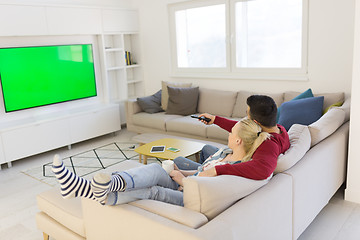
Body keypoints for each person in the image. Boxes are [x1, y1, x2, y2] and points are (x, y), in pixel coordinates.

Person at [52, 118, 269, 207]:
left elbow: (207, 189)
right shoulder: (225, 152)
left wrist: (181, 179)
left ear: (239, 140)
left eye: (231, 132)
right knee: (156, 168)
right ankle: (99, 189)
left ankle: (88, 190)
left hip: (189, 194)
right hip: (186, 182)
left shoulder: (235, 169)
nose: (229, 133)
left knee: (153, 190)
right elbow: (202, 171)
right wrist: (180, 173)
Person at [174, 94, 290, 180]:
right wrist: (215, 120)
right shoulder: (280, 129)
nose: (246, 116)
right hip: (239, 156)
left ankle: (196, 175)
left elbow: (263, 169)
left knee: (178, 161)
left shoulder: (269, 145)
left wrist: (216, 170)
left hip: (237, 162)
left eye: (247, 113)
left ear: (255, 122)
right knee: (206, 149)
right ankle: (201, 169)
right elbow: (242, 130)